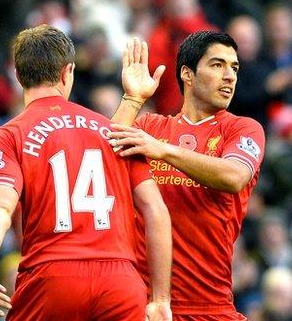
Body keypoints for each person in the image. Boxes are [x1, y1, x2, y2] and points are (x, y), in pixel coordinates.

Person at [0, 25, 173, 321]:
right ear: (68, 72)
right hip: (120, 281)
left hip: (52, 277)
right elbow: (155, 209)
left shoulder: (9, 134)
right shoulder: (113, 130)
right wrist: (160, 298)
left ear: (18, 74)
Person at [109, 31, 266, 320]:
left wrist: (163, 151)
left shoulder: (243, 129)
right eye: (217, 65)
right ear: (187, 74)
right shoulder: (151, 126)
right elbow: (101, 162)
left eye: (234, 68)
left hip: (209, 306)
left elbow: (234, 176)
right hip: (145, 306)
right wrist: (132, 98)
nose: (229, 76)